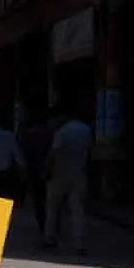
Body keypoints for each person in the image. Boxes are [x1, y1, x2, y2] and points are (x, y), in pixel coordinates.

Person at [43, 106, 93, 254]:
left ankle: (49, 238)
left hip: (59, 173)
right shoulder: (86, 130)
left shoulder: (62, 131)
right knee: (77, 210)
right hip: (79, 172)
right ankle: (79, 243)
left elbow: (54, 152)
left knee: (52, 208)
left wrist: (46, 170)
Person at [19, 108, 58, 235]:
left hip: (34, 170)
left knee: (38, 200)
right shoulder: (52, 134)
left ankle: (43, 224)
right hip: (51, 170)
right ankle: (52, 225)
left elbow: (23, 153)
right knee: (52, 200)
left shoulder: (28, 135)